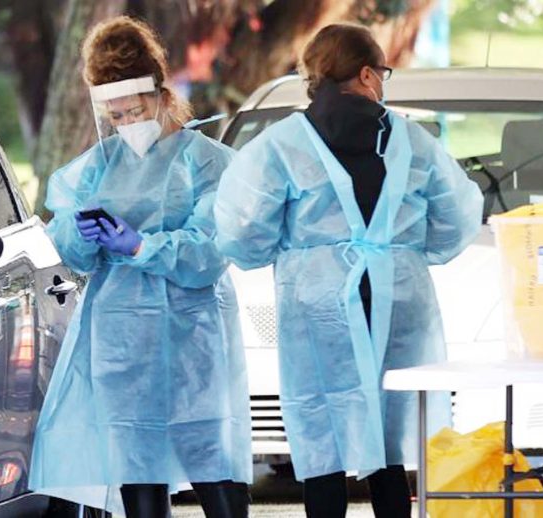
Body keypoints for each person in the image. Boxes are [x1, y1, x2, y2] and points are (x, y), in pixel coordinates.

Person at [213, 23, 483, 518]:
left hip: (317, 304)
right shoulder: (412, 141)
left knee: (322, 434)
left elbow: (242, 229)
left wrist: (291, 250)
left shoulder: (282, 145)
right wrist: (407, 249)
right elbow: (458, 216)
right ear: (365, 74)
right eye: (383, 73)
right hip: (400, 300)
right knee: (391, 438)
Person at [29, 16, 252, 518]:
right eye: (116, 115)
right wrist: (80, 235)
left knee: (210, 452)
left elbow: (208, 255)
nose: (127, 124)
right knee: (135, 461)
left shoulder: (208, 163)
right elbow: (70, 247)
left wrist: (138, 246)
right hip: (120, 341)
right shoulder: (97, 166)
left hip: (191, 335)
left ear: (162, 94)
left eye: (134, 111)